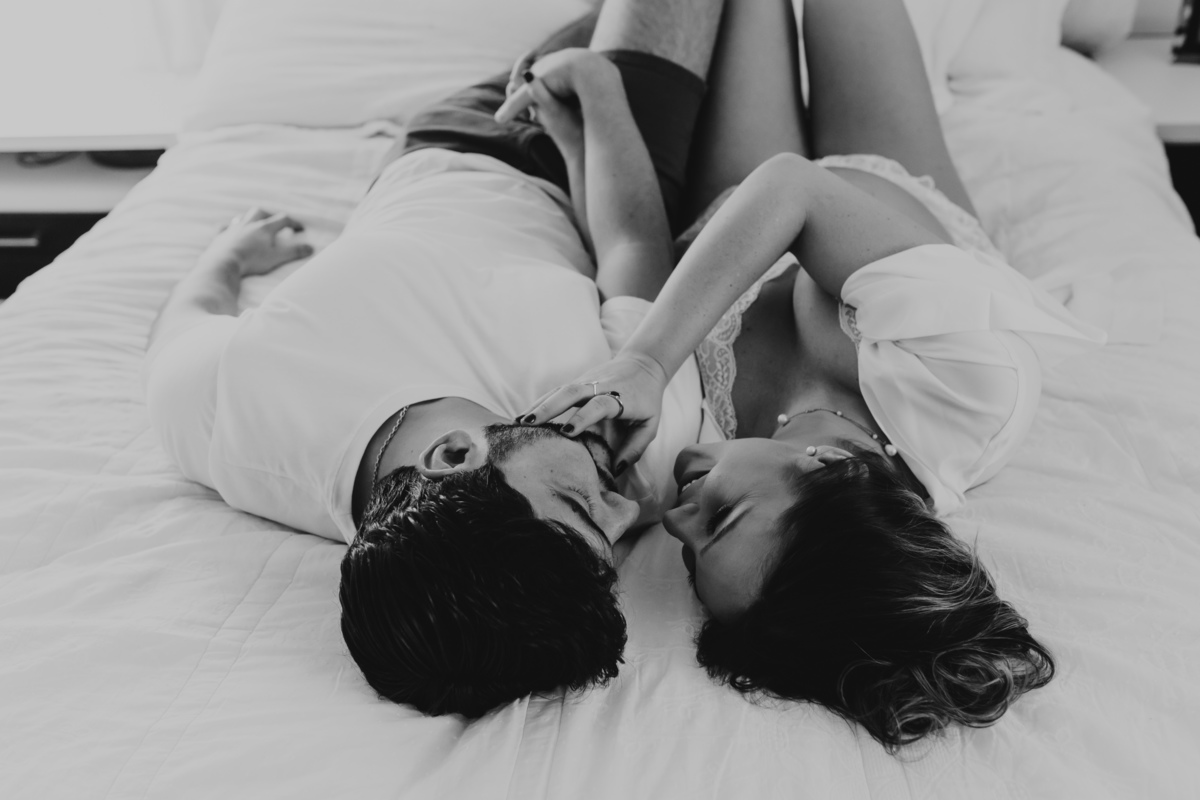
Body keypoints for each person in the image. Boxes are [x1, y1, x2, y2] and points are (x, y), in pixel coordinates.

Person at [517, 0, 1106, 749]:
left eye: (690, 555)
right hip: (880, 187)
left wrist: (589, 114)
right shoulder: (968, 391)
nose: (675, 520)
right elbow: (795, 188)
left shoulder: (692, 444)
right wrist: (648, 362)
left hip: (735, 212)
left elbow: (635, 257)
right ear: (830, 466)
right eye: (719, 518)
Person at [143, 0, 725, 719]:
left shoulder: (237, 419)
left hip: (433, 148)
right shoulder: (623, 429)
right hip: (586, 168)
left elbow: (180, 331)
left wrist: (225, 259)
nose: (629, 507)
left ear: (453, 455)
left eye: (582, 505)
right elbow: (633, 250)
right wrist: (597, 103)